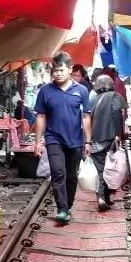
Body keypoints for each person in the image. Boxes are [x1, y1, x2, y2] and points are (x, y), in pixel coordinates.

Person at [34, 51, 92, 223]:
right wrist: (38, 141)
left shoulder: (81, 91)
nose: (57, 73)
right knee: (58, 172)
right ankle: (62, 209)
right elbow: (40, 116)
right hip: (53, 139)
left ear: (69, 69)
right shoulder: (45, 91)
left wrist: (88, 141)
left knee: (71, 175)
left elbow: (86, 116)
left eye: (60, 70)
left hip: (75, 140)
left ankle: (68, 204)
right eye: (55, 70)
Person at [90, 75, 126, 211]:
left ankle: (102, 197)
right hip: (109, 137)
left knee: (100, 169)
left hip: (94, 138)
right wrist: (118, 134)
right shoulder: (114, 96)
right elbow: (116, 113)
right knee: (109, 168)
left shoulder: (94, 98)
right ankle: (104, 197)